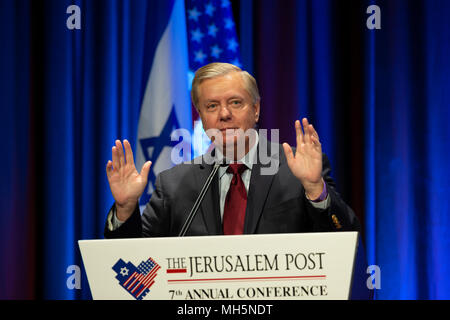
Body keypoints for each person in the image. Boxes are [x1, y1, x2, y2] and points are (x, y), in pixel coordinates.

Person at [104, 62, 360, 238]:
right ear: (201, 116)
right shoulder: (174, 184)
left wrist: (315, 190)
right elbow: (135, 262)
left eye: (235, 103)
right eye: (212, 106)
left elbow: (346, 240)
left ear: (256, 109)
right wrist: (125, 209)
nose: (224, 114)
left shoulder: (297, 169)